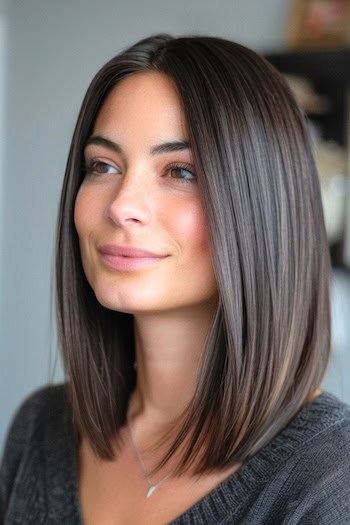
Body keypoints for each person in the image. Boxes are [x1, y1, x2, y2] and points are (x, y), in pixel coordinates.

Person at [1, 34, 350, 524]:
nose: (121, 204)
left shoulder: (332, 484)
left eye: (181, 172)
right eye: (103, 165)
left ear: (263, 208)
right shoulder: (41, 430)